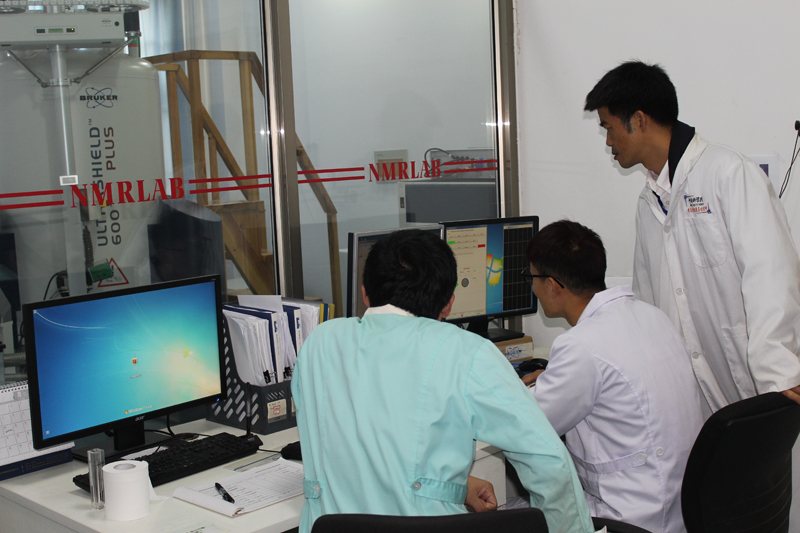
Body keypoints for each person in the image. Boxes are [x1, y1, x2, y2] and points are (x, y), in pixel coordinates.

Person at [291, 229, 595, 533]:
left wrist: (452, 486)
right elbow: (549, 461)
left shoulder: (319, 343)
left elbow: (370, 451)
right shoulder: (466, 351)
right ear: (448, 304)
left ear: (365, 294)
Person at [584, 60, 800, 414]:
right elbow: (648, 305)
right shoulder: (648, 203)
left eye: (609, 127)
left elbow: (772, 275)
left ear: (639, 120)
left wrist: (778, 371)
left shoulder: (728, 174)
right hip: (690, 396)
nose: (608, 141)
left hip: (756, 388)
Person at [523, 220, 704, 533]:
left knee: (508, 513)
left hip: (625, 518)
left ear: (553, 286)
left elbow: (528, 424)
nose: (533, 288)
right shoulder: (652, 316)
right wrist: (551, 379)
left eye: (532, 277)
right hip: (682, 509)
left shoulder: (580, 346)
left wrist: (515, 388)